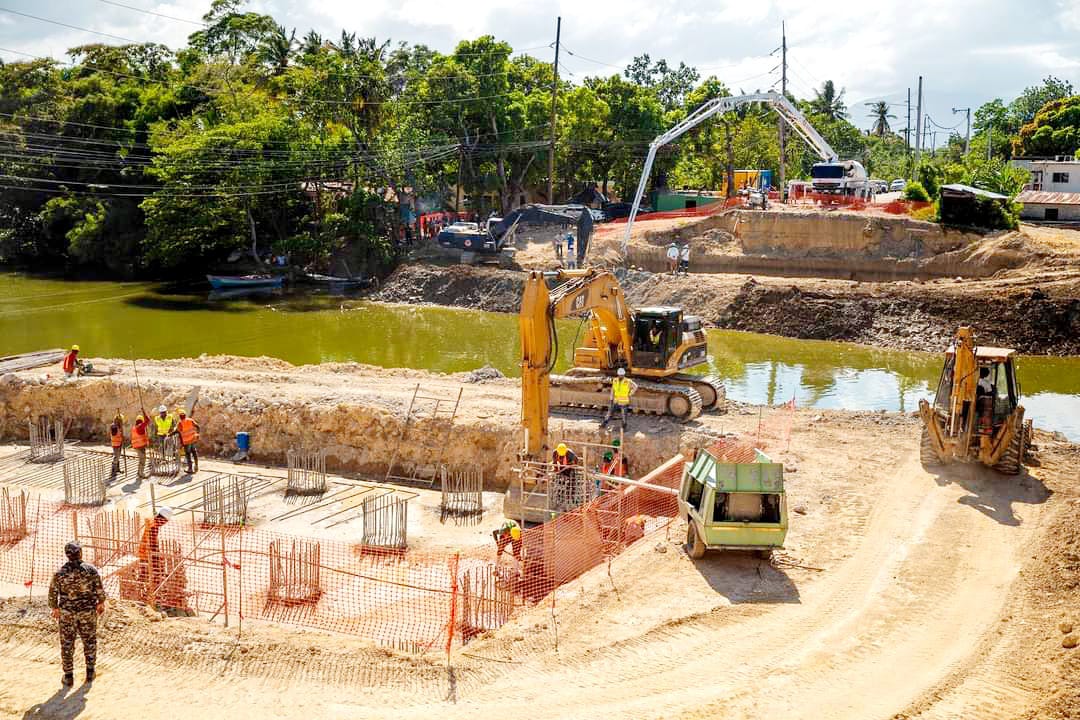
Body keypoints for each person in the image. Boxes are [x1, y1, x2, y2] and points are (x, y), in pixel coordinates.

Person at [48, 541, 105, 685]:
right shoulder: (90, 570)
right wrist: (100, 603)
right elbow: (99, 589)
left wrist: (55, 608)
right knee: (89, 641)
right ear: (80, 553)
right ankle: (90, 672)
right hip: (87, 612)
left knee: (67, 643)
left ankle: (68, 676)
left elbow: (53, 593)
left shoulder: (60, 573)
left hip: (67, 614)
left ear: (67, 555)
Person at [137, 507, 173, 606]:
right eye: (165, 522)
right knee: (148, 574)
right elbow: (152, 545)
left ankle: (145, 591)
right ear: (162, 519)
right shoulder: (154, 527)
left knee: (147, 573)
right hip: (146, 553)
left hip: (145, 551)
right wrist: (157, 557)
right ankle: (146, 595)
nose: (164, 524)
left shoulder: (152, 522)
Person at [177, 407, 200, 475]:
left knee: (188, 455)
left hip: (186, 442)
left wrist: (170, 434)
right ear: (185, 416)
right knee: (194, 453)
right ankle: (196, 466)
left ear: (180, 417)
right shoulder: (191, 420)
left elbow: (178, 432)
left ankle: (190, 468)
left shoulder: (180, 423)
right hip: (193, 440)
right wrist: (198, 434)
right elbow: (198, 426)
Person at [131, 411, 150, 480]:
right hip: (140, 446)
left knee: (141, 460)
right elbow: (148, 420)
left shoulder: (135, 427)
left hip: (137, 446)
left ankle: (139, 472)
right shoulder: (140, 426)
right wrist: (144, 412)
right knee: (142, 460)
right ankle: (141, 473)